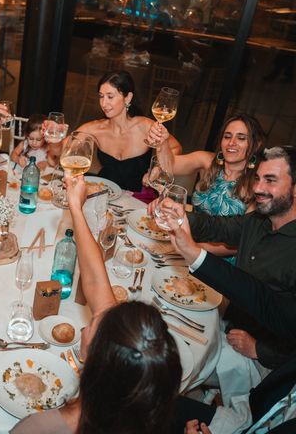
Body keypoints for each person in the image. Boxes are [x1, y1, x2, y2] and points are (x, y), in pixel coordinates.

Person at [11, 175, 182, 433]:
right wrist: (76, 209)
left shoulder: (43, 427)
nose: (89, 324)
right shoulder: (137, 407)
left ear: (97, 364)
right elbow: (94, 281)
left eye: (94, 324)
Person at [156, 151, 296, 432]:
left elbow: (270, 306)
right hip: (225, 323)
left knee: (162, 371)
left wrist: (262, 350)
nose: (257, 188)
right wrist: (183, 216)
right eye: (257, 178)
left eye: (270, 180)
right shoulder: (258, 221)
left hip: (258, 359)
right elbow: (219, 226)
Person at [147, 115, 265, 260]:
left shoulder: (258, 184)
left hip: (216, 261)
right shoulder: (207, 161)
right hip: (184, 241)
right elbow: (169, 166)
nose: (231, 143)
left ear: (256, 144)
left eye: (241, 138)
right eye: (227, 136)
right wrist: (163, 143)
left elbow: (242, 241)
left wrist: (189, 247)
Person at [75, 71, 181, 196]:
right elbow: (64, 150)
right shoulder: (95, 128)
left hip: (139, 197)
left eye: (110, 96)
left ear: (128, 97)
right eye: (101, 96)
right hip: (104, 193)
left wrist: (157, 168)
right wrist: (55, 132)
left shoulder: (145, 126)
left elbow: (176, 147)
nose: (103, 103)